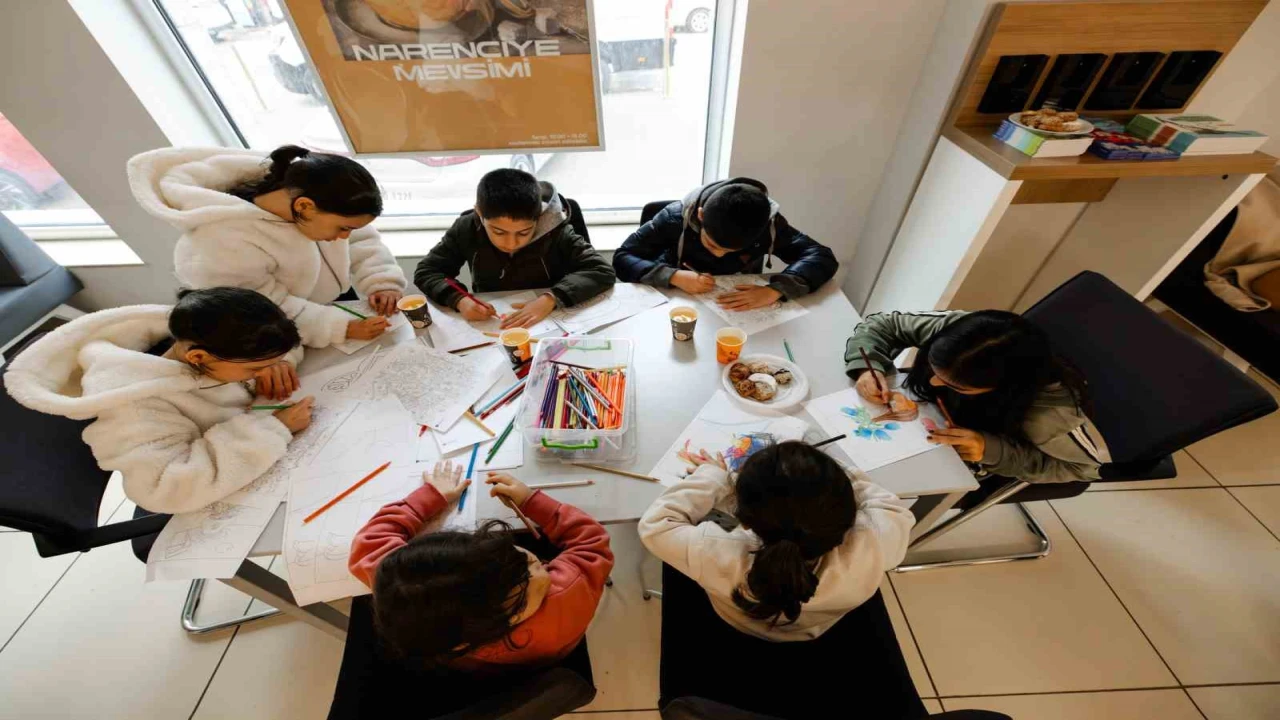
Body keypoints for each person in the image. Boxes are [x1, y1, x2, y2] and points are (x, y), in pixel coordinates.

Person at [128, 144, 408, 397]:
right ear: (304, 206)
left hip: (322, 310)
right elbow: (268, 308)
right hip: (279, 327)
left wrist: (381, 280)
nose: (345, 237)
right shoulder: (221, 239)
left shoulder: (315, 204)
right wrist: (338, 327)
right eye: (342, 228)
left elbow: (361, 239)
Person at [4, 287, 316, 514]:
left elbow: (270, 351)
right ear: (198, 357)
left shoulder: (211, 345)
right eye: (254, 368)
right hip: (206, 499)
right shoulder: (135, 405)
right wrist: (270, 431)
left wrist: (279, 365)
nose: (263, 371)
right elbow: (165, 489)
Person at [639, 441, 914, 641]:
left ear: (743, 520)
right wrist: (831, 477)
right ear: (847, 514)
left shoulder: (713, 551)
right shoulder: (877, 541)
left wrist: (712, 476)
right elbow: (889, 505)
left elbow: (655, 524)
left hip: (734, 623)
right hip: (815, 630)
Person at [349, 463, 614, 670]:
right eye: (523, 593)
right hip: (551, 649)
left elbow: (369, 544)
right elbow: (591, 541)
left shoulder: (405, 596)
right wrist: (532, 501)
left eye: (509, 553)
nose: (532, 562)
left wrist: (431, 496)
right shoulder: (565, 595)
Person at [844, 310, 1110, 484]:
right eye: (933, 368)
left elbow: (1083, 469)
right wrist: (868, 367)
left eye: (955, 385)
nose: (933, 382)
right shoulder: (959, 336)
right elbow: (884, 324)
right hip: (933, 420)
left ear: (1005, 389)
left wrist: (991, 450)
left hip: (980, 450)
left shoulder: (1050, 417)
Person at [413, 169, 615, 329]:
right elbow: (428, 271)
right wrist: (459, 300)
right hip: (492, 320)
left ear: (539, 217)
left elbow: (601, 270)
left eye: (524, 232)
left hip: (551, 321)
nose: (511, 243)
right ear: (479, 212)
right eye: (499, 232)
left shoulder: (557, 232)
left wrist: (552, 298)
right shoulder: (466, 229)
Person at [612, 178, 839, 311]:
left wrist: (776, 290)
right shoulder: (673, 218)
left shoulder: (770, 226)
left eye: (731, 251)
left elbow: (821, 256)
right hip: (677, 300)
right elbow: (623, 257)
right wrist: (673, 276)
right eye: (712, 245)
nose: (719, 255)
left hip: (736, 303)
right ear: (700, 215)